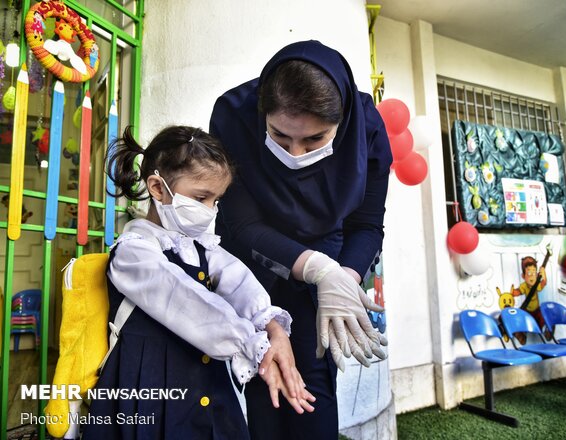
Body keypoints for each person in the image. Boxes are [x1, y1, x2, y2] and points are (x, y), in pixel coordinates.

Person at [82, 125, 315, 440]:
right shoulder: (134, 253)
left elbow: (239, 281)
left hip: (205, 385)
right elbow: (186, 300)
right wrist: (252, 343)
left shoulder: (201, 247)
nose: (210, 211)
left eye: (216, 200)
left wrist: (273, 328)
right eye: (201, 197)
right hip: (146, 389)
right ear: (158, 187)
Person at [210, 40, 392, 439]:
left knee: (312, 389)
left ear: (341, 124)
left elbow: (367, 225)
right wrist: (316, 267)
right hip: (253, 264)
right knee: (265, 387)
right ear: (263, 116)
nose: (295, 152)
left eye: (314, 140)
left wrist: (341, 278)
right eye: (279, 136)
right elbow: (239, 223)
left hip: (327, 270)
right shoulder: (233, 116)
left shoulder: (368, 128)